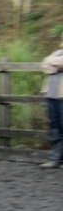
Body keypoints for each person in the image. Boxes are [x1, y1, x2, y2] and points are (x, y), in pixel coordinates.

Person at [39, 37, 63, 168]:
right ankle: (55, 159)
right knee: (55, 127)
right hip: (52, 95)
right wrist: (56, 65)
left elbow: (50, 62)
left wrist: (52, 63)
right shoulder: (58, 52)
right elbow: (44, 65)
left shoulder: (56, 56)